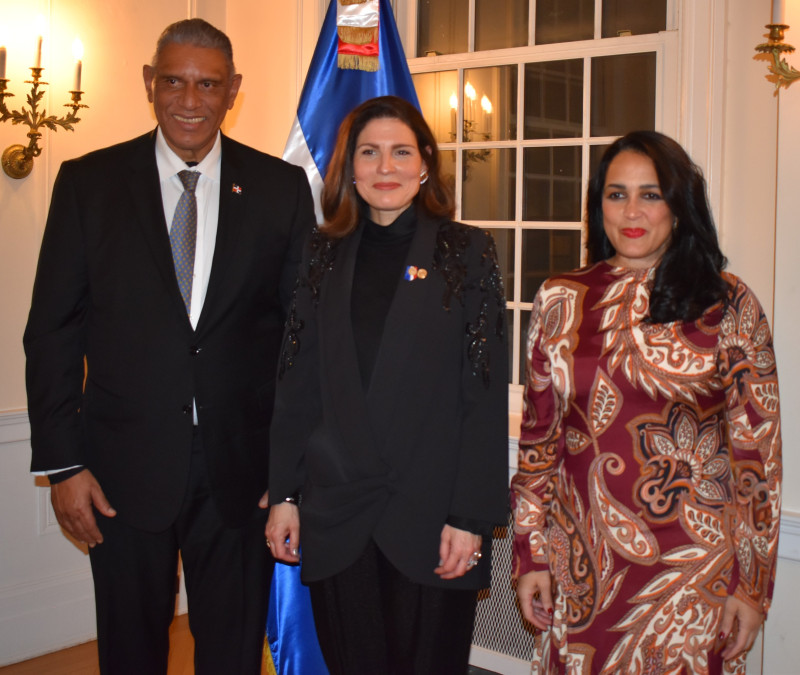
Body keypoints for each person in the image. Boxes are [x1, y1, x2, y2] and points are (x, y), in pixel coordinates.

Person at [23, 18, 315, 675]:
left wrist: (288, 467)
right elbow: (52, 330)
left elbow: (301, 339)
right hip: (119, 471)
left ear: (233, 89)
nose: (190, 99)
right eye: (175, 81)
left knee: (232, 652)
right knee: (129, 651)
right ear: (149, 82)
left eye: (208, 83)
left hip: (242, 474)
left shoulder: (278, 189)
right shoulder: (88, 184)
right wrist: (63, 465)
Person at [510, 130, 782, 674]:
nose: (632, 211)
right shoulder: (560, 297)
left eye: (651, 194)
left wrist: (752, 587)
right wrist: (529, 554)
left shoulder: (727, 304)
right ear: (598, 205)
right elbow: (540, 442)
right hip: (579, 567)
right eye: (616, 194)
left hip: (695, 574)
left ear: (679, 207)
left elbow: (759, 457)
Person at [265, 95, 509, 675]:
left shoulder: (466, 252)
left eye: (401, 152)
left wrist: (472, 517)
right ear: (349, 167)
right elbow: (295, 384)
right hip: (338, 512)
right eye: (369, 153)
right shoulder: (321, 253)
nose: (385, 168)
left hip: (432, 519)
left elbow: (484, 391)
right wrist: (284, 495)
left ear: (425, 162)